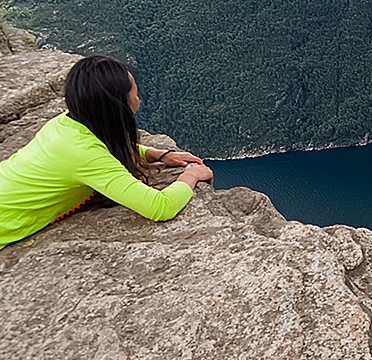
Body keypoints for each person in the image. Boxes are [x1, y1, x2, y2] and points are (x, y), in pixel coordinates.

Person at [0, 55, 213, 249]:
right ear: (117, 108)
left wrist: (155, 154)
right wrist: (191, 175)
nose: (138, 101)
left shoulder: (66, 123)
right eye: (134, 95)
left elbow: (104, 146)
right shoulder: (84, 155)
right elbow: (160, 207)